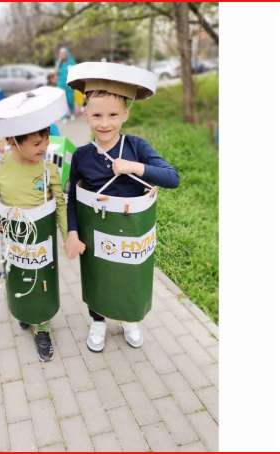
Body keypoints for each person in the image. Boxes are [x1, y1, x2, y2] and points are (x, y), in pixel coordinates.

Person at [64, 62, 180, 353]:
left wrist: (134, 167)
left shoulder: (136, 147)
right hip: (94, 231)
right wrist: (73, 233)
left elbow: (172, 178)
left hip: (130, 231)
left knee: (128, 272)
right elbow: (72, 196)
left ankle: (129, 318)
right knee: (98, 275)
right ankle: (98, 321)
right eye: (97, 115)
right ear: (86, 115)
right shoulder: (81, 156)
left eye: (113, 115)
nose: (105, 123)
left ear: (126, 114)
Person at [0, 86, 70, 362]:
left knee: (41, 282)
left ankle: (42, 327)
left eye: (46, 140)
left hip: (41, 242)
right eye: (37, 143)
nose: (44, 147)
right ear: (13, 141)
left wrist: (68, 236)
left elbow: (60, 203)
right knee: (17, 276)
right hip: (14, 242)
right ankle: (23, 311)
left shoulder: (48, 169)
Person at [55, 47, 77, 121]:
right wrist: (59, 63)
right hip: (61, 85)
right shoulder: (58, 63)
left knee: (70, 100)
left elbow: (74, 72)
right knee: (63, 101)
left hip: (69, 85)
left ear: (66, 54)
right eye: (61, 54)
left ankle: (72, 113)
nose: (62, 55)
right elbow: (56, 73)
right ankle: (63, 116)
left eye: (63, 53)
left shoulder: (71, 62)